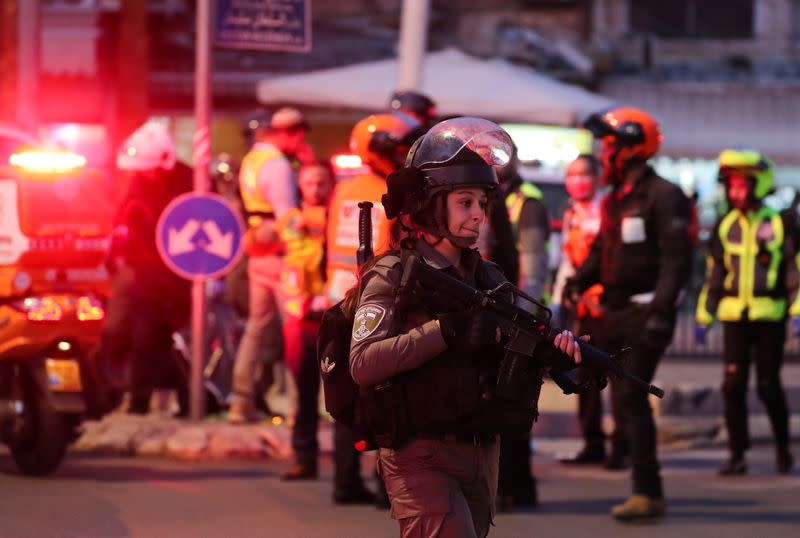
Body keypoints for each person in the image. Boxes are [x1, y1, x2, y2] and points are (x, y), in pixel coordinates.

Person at [349, 116, 585, 537]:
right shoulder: (393, 274)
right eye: (466, 203)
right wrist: (445, 331)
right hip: (417, 450)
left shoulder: (489, 278)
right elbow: (364, 362)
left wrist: (551, 357)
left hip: (480, 449)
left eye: (483, 203)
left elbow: (508, 348)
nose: (479, 215)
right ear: (430, 205)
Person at [564, 107, 692, 522]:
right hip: (615, 312)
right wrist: (579, 280)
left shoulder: (664, 195)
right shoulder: (617, 198)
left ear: (634, 148)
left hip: (645, 313)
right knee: (619, 396)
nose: (604, 153)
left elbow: (676, 261)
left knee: (629, 397)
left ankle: (647, 492)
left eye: (611, 144)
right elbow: (603, 249)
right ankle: (645, 488)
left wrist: (660, 314)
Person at [326, 111, 426, 506]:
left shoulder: (344, 188)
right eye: (400, 147)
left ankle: (345, 481)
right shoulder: (396, 190)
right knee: (387, 388)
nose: (404, 153)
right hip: (377, 294)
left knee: (346, 391)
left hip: (338, 296)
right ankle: (390, 485)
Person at [695, 149, 797, 476]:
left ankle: (783, 449)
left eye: (743, 185)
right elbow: (715, 273)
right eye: (732, 186)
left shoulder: (780, 222)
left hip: (770, 316)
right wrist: (704, 315)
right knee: (733, 386)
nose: (736, 192)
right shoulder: (725, 227)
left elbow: (795, 270)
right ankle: (737, 455)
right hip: (734, 317)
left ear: (759, 184)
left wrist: (797, 310)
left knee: (768, 386)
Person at [95, 121, 193, 416]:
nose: (142, 173)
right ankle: (132, 400)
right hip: (143, 273)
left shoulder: (188, 181)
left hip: (176, 275)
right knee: (138, 337)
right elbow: (126, 222)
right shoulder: (139, 182)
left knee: (162, 340)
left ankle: (187, 399)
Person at [229, 107, 311, 424]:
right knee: (294, 330)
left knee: (255, 329)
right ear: (288, 132)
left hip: (258, 254)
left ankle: (241, 400)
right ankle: (296, 409)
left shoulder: (252, 159)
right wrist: (301, 252)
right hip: (280, 256)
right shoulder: (277, 164)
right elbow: (286, 215)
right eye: (299, 136)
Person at [554, 154, 627, 469]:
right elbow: (569, 263)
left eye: (584, 173)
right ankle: (592, 443)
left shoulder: (607, 210)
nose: (578, 180)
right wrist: (559, 300)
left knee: (618, 378)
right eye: (572, 174)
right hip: (584, 308)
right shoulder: (572, 213)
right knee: (585, 378)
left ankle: (621, 448)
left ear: (597, 177)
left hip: (610, 307)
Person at [493, 143, 551, 509]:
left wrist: (524, 316)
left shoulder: (525, 202)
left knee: (512, 400)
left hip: (514, 312)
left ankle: (517, 486)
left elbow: (535, 264)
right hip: (498, 308)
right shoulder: (486, 195)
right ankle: (513, 486)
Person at [279, 163, 335, 481]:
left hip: (333, 314)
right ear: (300, 185)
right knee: (304, 391)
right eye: (309, 182)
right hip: (301, 317)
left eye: (321, 182)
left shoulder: (341, 216)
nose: (315, 188)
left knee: (343, 392)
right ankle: (304, 457)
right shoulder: (291, 219)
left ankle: (349, 466)